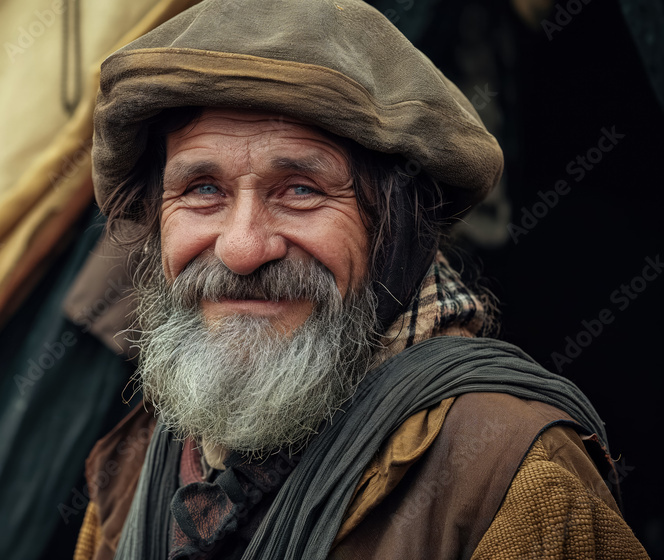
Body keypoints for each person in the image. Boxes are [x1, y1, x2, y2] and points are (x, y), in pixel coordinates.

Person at [73, 0, 650, 558]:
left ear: (398, 229)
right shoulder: (137, 461)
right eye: (203, 190)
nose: (243, 249)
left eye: (301, 190)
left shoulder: (511, 479)